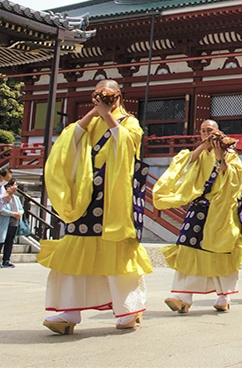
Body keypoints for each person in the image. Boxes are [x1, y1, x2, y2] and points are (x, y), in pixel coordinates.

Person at [38, 80, 153, 334]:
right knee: (75, 248)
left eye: (107, 95)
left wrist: (108, 115)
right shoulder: (87, 122)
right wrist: (94, 112)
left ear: (118, 95)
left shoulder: (130, 122)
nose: (102, 98)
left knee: (118, 252)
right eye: (98, 95)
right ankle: (68, 311)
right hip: (85, 195)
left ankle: (128, 310)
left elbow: (127, 145)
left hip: (114, 196)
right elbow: (69, 142)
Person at [153, 120, 242, 313]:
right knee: (187, 247)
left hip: (221, 210)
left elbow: (232, 179)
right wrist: (204, 146)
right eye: (203, 131)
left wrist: (219, 154)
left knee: (219, 251)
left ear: (218, 131)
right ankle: (183, 297)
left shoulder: (231, 155)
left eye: (209, 130)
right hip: (199, 206)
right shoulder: (199, 153)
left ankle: (224, 296)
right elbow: (183, 166)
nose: (206, 133)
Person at [0, 180, 23, 268]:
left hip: (14, 222)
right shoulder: (3, 196)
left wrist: (19, 213)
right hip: (5, 221)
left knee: (10, 241)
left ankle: (6, 259)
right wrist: (12, 214)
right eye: (14, 185)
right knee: (0, 240)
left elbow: (21, 208)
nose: (16, 187)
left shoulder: (16, 198)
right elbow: (1, 209)